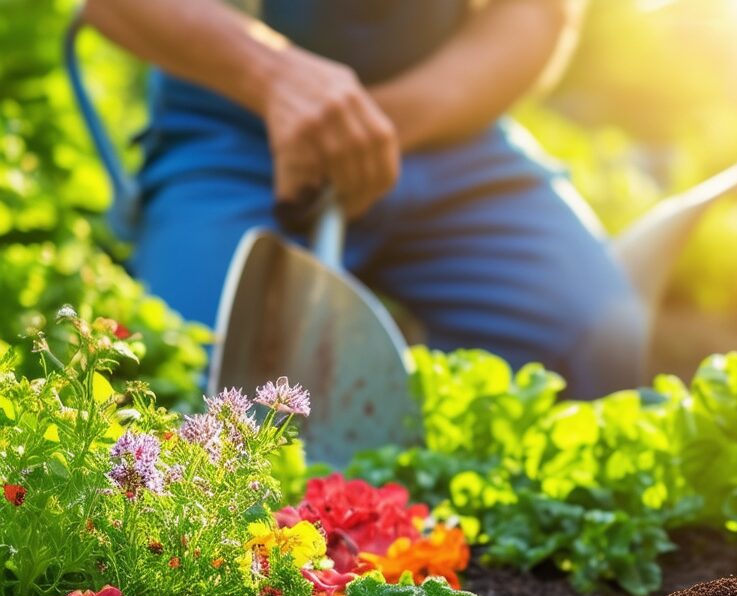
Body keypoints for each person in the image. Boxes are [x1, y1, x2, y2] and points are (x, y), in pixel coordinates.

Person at [82, 0, 645, 399]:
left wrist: (373, 124)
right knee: (209, 392)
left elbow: (536, 13)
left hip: (450, 131)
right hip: (235, 129)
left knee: (595, 347)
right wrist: (275, 78)